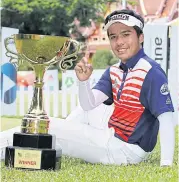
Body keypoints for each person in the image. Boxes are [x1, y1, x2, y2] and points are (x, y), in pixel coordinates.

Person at [0, 9, 175, 167]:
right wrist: (83, 82)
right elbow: (88, 105)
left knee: (48, 126)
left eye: (126, 34)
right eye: (113, 37)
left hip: (125, 149)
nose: (119, 42)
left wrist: (166, 164)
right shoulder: (114, 69)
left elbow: (166, 119)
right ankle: (57, 140)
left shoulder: (151, 71)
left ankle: (30, 141)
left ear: (141, 37)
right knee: (79, 114)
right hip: (111, 133)